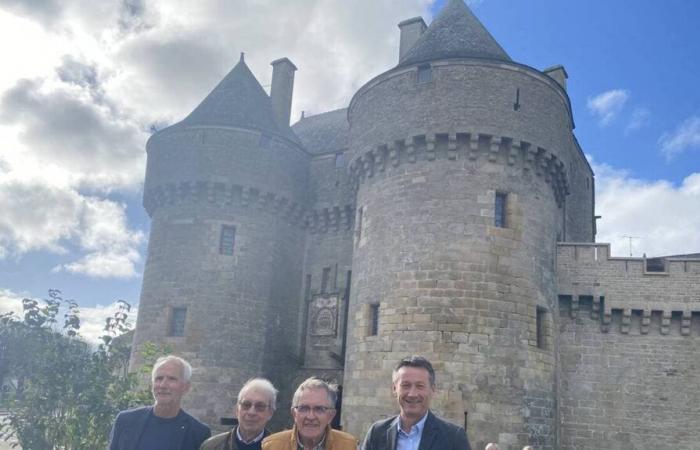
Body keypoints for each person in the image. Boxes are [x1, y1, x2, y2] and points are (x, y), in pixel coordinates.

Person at [361, 355, 472, 450]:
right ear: (394, 389)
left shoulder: (453, 437)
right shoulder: (377, 432)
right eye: (405, 385)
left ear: (432, 390)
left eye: (420, 386)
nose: (412, 394)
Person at [108, 355, 211, 450]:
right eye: (159, 378)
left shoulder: (198, 434)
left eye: (172, 379)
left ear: (186, 387)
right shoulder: (125, 421)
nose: (163, 385)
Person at [262, 377, 357, 450]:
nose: (311, 416)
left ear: (331, 415)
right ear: (294, 413)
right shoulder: (272, 446)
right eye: (303, 408)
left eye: (319, 409)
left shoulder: (348, 445)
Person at [200, 378, 277, 450]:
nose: (251, 412)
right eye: (246, 405)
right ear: (237, 410)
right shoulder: (211, 447)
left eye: (260, 406)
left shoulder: (280, 447)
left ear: (270, 413)